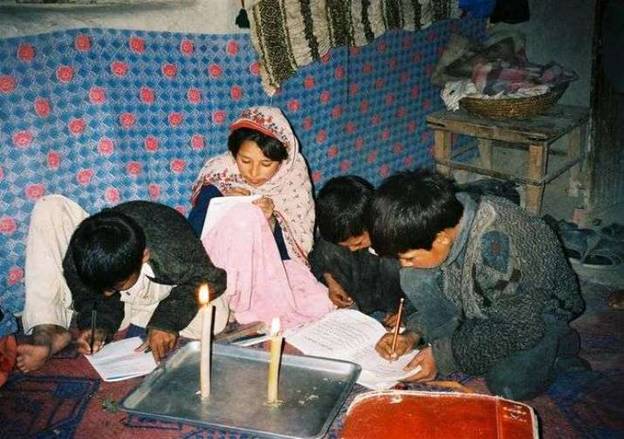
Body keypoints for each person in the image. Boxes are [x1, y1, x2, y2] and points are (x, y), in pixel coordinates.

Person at [368, 169, 587, 400]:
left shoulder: (498, 249)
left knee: (508, 383)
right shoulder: (452, 217)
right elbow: (452, 292)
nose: (405, 264)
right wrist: (413, 334)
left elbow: (520, 326)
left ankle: (560, 342)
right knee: (415, 277)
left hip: (540, 311)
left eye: (409, 257)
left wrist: (444, 356)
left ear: (441, 238)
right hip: (487, 303)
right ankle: (456, 338)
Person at [17, 195, 228, 373]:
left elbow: (212, 277)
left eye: (115, 287)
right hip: (127, 279)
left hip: (160, 280)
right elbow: (92, 292)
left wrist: (166, 322)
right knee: (50, 206)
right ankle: (49, 328)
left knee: (215, 318)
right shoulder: (80, 254)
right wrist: (98, 325)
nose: (106, 294)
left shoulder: (172, 251)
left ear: (143, 256)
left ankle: (140, 312)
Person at [189, 106, 334, 329]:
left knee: (321, 304)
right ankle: (236, 305)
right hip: (222, 275)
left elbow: (290, 255)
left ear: (282, 160)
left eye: (266, 164)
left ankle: (248, 311)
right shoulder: (220, 175)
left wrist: (271, 221)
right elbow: (192, 235)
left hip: (271, 272)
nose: (254, 173)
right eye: (245, 161)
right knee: (244, 214)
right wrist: (223, 203)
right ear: (234, 154)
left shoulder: (292, 177)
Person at [309, 176, 404, 321]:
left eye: (358, 243)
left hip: (391, 293)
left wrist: (402, 310)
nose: (352, 249)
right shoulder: (347, 238)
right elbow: (321, 255)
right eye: (347, 245)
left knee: (391, 262)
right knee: (327, 247)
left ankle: (396, 312)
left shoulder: (394, 230)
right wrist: (332, 282)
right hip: (359, 289)